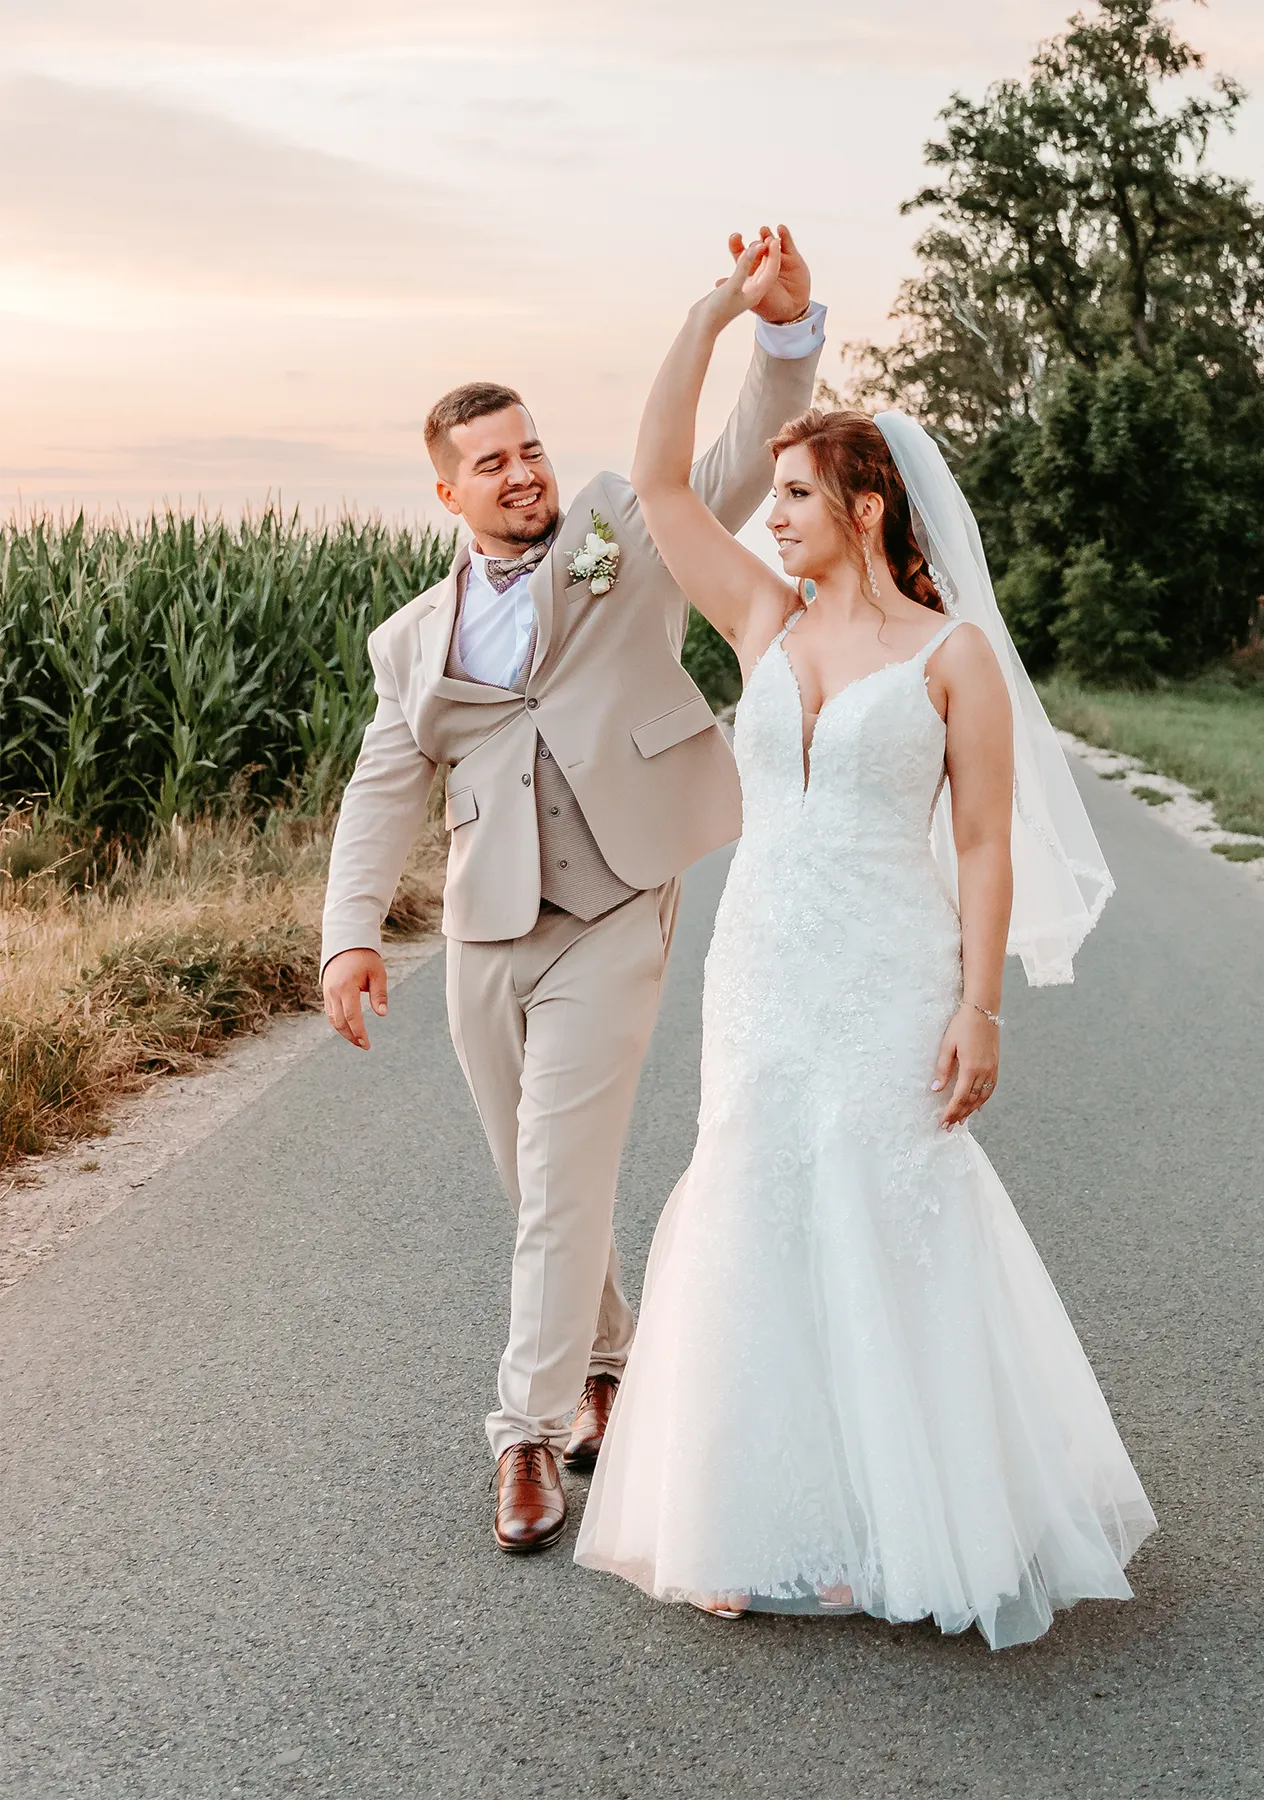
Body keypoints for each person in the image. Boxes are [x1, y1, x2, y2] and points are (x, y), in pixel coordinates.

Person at [574, 238, 1157, 1645]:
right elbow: (656, 483)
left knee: (880, 1211)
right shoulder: (761, 620)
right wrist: (717, 309)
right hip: (765, 963)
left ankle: (900, 1510)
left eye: (792, 494)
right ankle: (745, 1516)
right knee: (753, 1201)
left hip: (892, 969)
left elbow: (982, 846)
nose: (771, 518)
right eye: (770, 497)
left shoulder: (952, 657)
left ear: (867, 501)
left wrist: (982, 1009)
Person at [318, 229, 825, 1555]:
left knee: (560, 1178)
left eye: (529, 446)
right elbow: (385, 785)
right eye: (492, 462)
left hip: (615, 906)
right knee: (534, 1176)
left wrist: (776, 332)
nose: (523, 471)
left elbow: (726, 463)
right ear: (448, 493)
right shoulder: (408, 642)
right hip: (486, 933)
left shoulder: (617, 526)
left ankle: (525, 1439)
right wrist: (349, 937)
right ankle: (612, 1364)